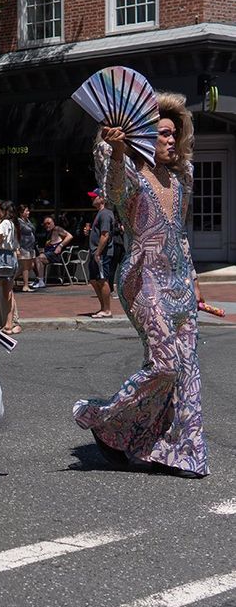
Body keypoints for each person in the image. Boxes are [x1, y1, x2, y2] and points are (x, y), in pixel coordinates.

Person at [73, 93, 210, 478]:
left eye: (174, 134)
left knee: (187, 371)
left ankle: (182, 453)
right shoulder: (131, 174)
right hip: (144, 278)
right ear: (146, 138)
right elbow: (115, 192)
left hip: (179, 280)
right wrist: (117, 152)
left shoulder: (182, 177)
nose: (170, 140)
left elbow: (180, 235)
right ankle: (104, 418)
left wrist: (195, 283)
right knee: (165, 364)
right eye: (163, 134)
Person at [0, 201, 19, 333]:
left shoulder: (3, 223)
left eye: (0, 210)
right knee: (8, 293)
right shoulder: (12, 224)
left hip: (1, 258)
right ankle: (8, 324)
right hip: (10, 258)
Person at [87, 189, 115, 318]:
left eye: (95, 197)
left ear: (102, 198)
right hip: (94, 252)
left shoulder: (105, 214)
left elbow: (105, 235)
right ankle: (103, 307)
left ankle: (107, 310)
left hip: (101, 253)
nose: (92, 199)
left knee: (102, 280)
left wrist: (98, 252)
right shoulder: (99, 214)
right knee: (94, 280)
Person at [33, 216, 73, 288]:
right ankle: (38, 279)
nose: (47, 225)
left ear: (53, 223)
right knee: (34, 260)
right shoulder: (48, 233)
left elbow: (70, 236)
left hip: (57, 255)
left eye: (49, 223)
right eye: (45, 224)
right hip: (49, 254)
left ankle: (40, 281)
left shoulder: (57, 229)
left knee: (39, 258)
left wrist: (60, 245)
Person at [16, 204, 37, 292]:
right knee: (25, 266)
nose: (28, 212)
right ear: (21, 213)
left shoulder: (27, 220)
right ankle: (25, 285)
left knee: (31, 265)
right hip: (23, 246)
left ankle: (12, 278)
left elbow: (33, 228)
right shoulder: (19, 221)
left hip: (30, 247)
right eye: (26, 211)